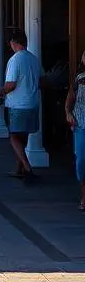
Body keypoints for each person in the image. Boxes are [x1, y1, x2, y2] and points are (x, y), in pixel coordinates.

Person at [0, 29, 42, 179]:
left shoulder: (15, 60)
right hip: (33, 103)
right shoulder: (34, 59)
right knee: (24, 136)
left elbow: (11, 84)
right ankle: (19, 169)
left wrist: (0, 91)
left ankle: (27, 168)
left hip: (18, 105)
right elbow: (42, 80)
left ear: (13, 43)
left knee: (14, 137)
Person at [65, 48, 85, 211]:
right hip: (81, 122)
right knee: (81, 160)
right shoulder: (80, 78)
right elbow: (70, 98)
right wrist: (68, 113)